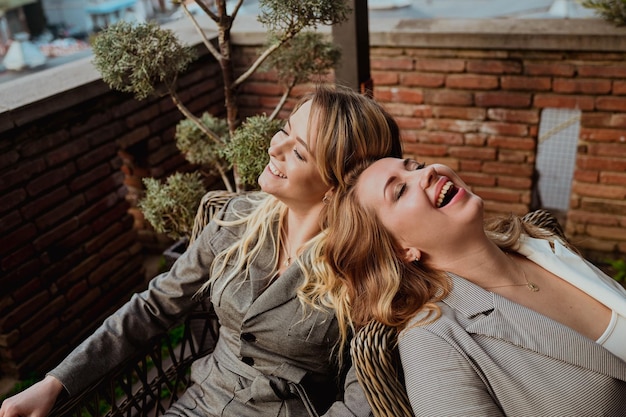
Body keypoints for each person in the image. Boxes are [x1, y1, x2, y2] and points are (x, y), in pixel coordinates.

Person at [0, 85, 403, 417]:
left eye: (299, 152)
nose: (274, 148)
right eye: (285, 130)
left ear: (337, 184)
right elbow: (153, 307)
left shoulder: (362, 268)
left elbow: (361, 396)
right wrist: (56, 382)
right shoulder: (236, 220)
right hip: (198, 404)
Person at [325, 157, 626, 416]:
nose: (426, 172)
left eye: (416, 165)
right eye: (400, 190)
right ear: (401, 249)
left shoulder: (539, 244)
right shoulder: (432, 343)